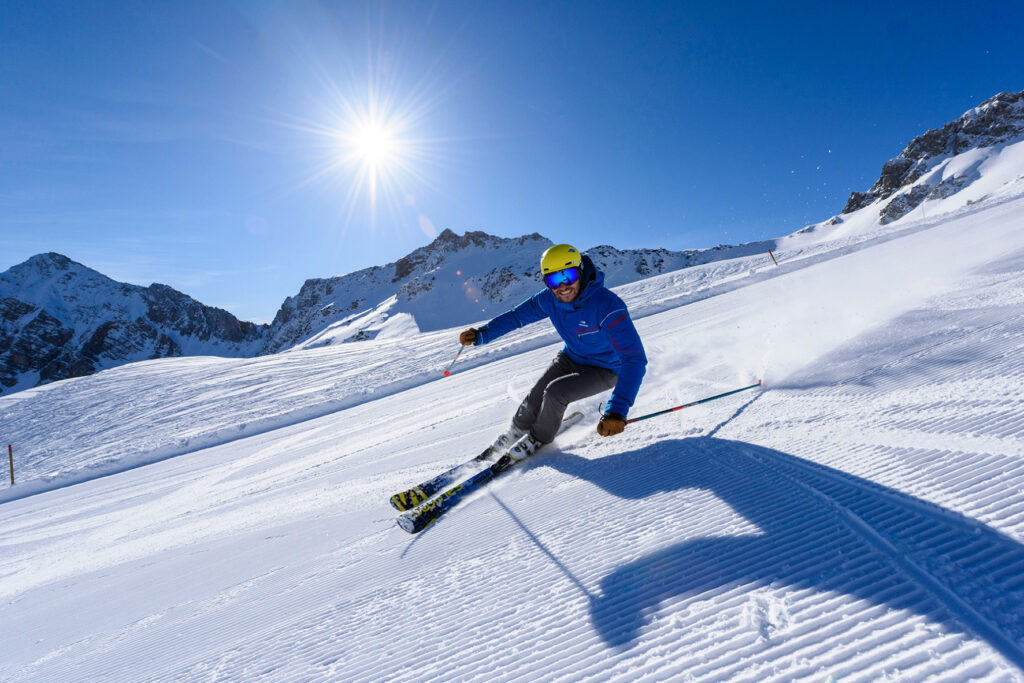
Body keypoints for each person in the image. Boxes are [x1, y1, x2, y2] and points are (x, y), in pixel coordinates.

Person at [459, 243, 647, 461]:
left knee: (556, 393)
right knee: (535, 395)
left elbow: (634, 359)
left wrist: (617, 411)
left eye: (568, 275)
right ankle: (515, 432)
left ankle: (538, 438)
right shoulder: (549, 299)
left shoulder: (607, 306)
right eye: (553, 280)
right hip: (571, 357)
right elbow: (517, 317)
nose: (562, 286)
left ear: (581, 271)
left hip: (606, 369)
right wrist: (483, 334)